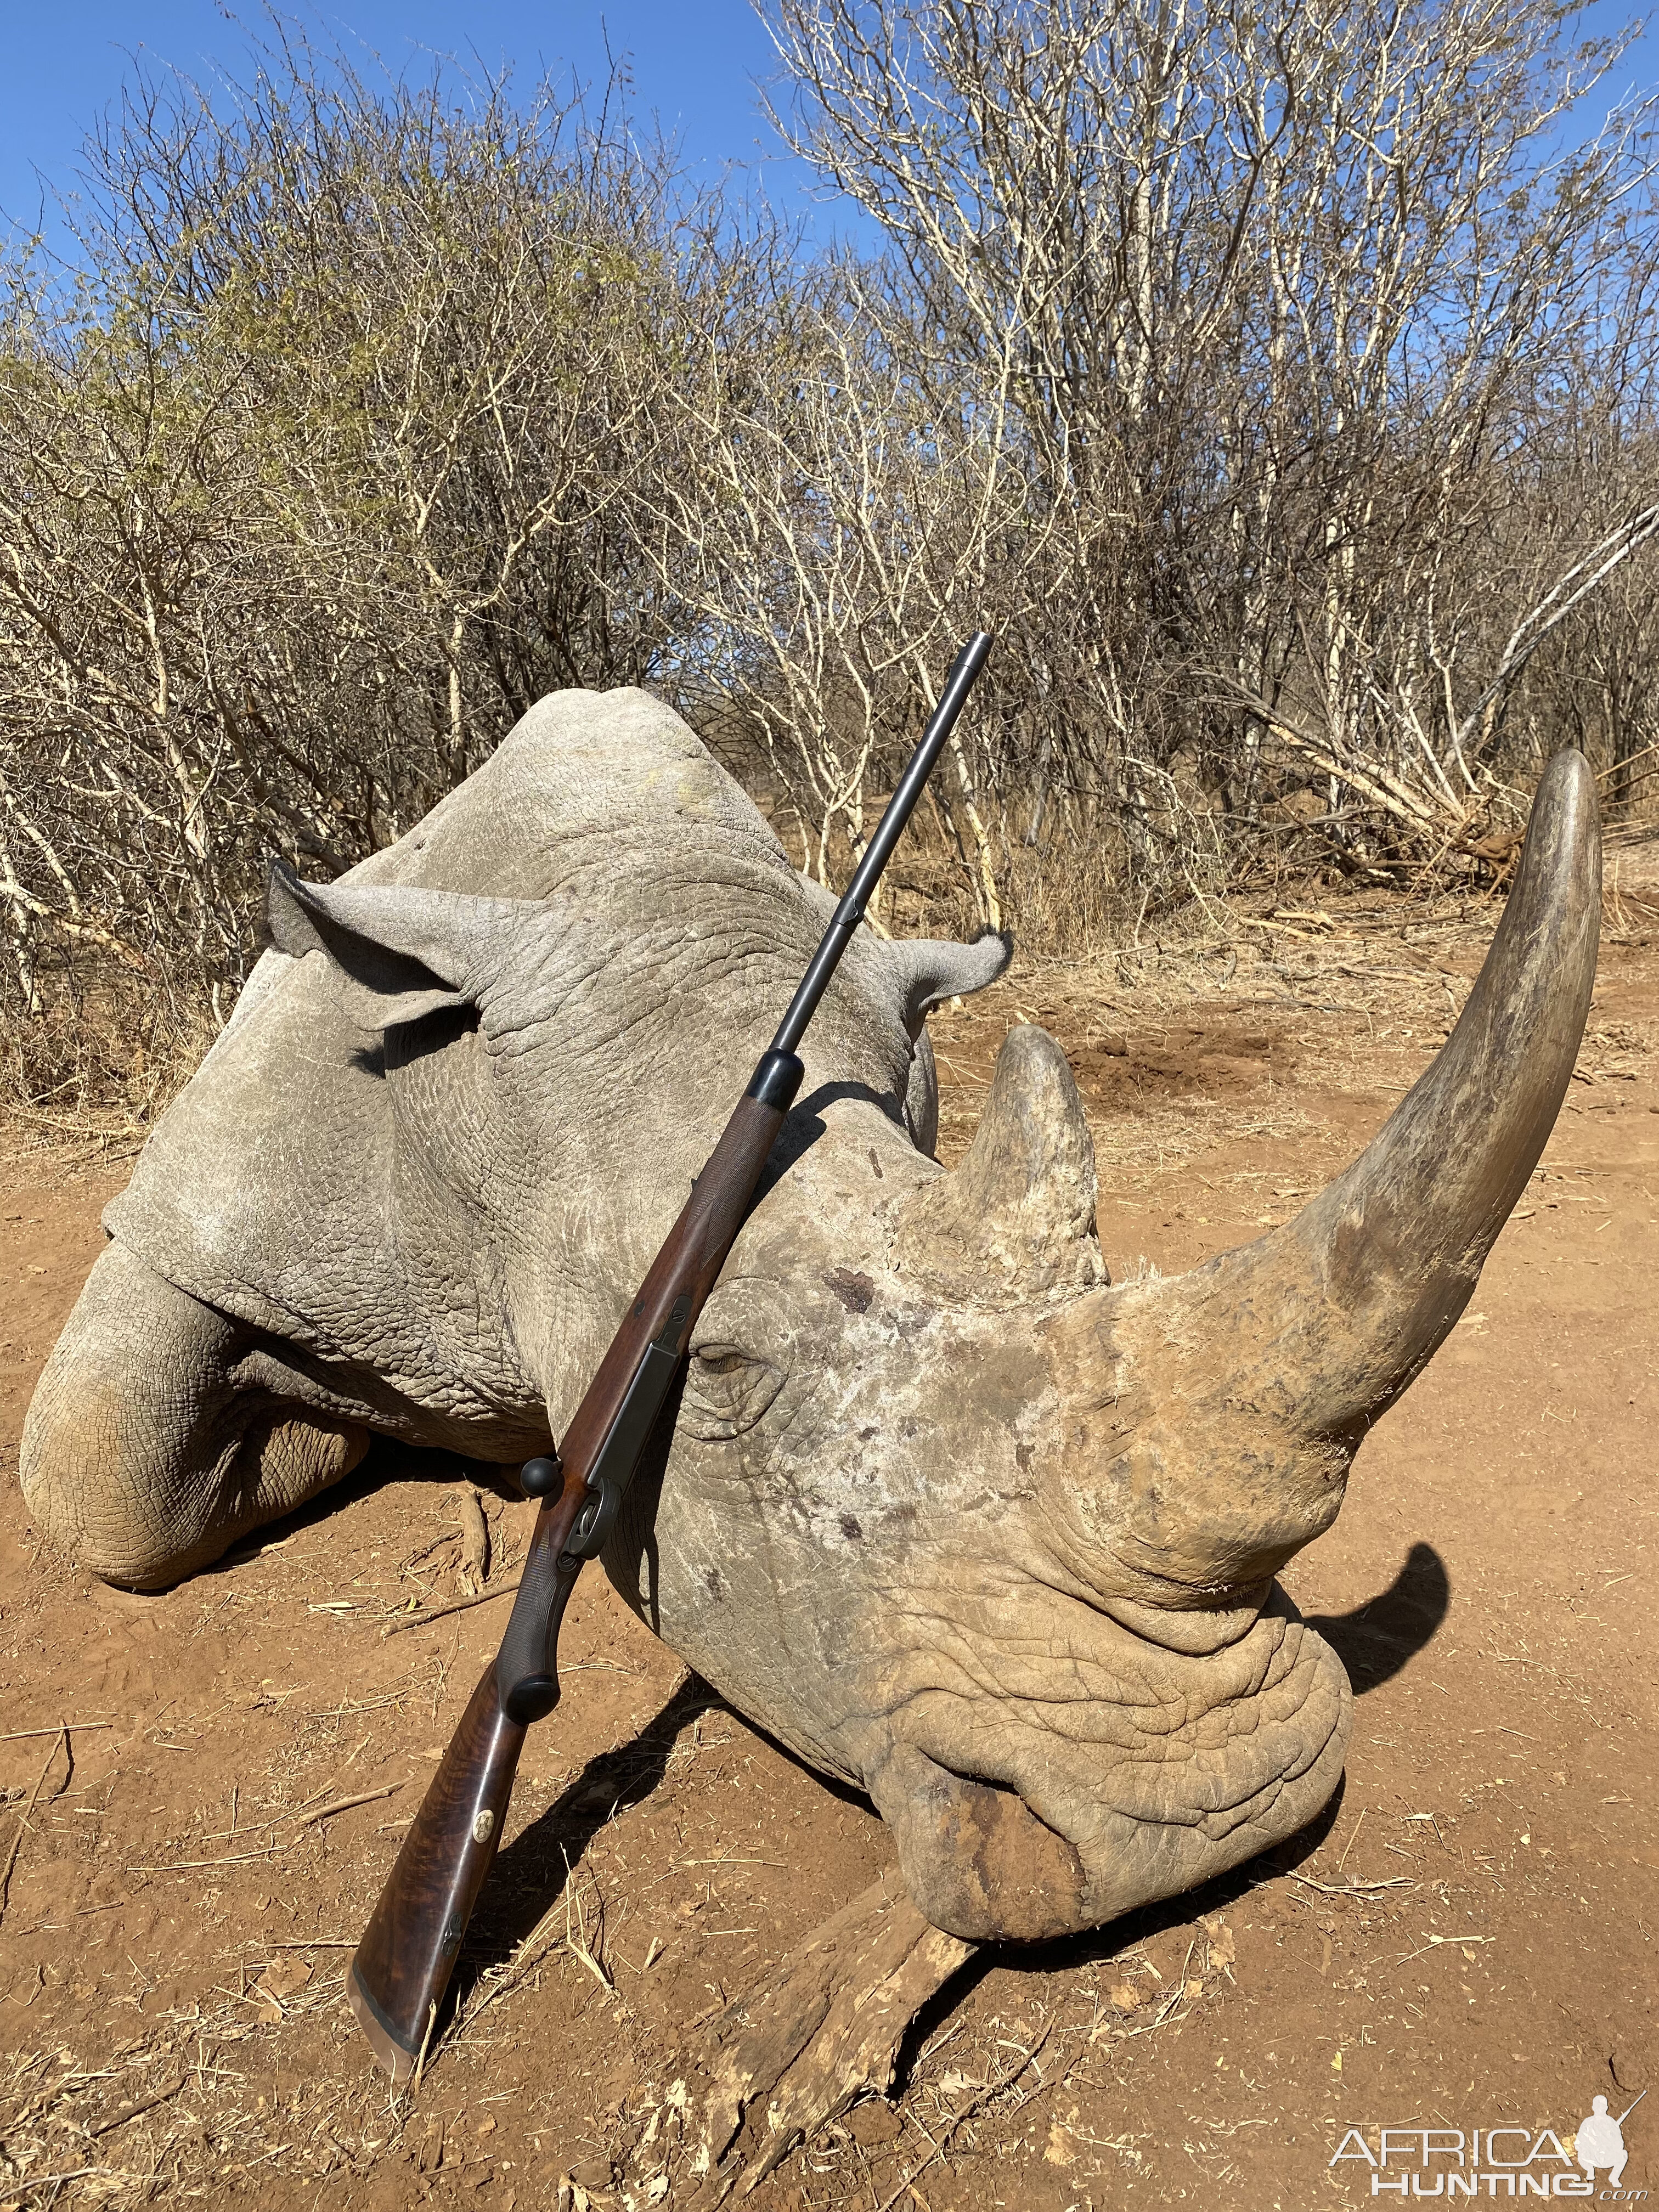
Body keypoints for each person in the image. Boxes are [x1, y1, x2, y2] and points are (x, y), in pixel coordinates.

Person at [1577, 2096, 1628, 2188]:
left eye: (1602, 2107)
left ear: (1606, 2108)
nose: (1600, 2109)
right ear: (1593, 2108)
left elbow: (1620, 2143)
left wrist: (1609, 2145)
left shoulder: (1611, 2123)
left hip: (1607, 2157)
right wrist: (1590, 2145)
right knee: (1581, 2153)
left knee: (1623, 2154)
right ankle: (1590, 2170)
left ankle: (1614, 2177)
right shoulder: (1587, 2122)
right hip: (1591, 2157)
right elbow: (1579, 2142)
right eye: (1598, 2107)